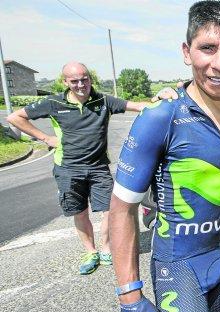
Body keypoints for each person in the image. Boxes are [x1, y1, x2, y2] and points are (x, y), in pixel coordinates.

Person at [108, 1, 220, 312]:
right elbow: (121, 209)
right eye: (207, 48)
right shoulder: (161, 114)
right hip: (178, 267)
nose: (219, 63)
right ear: (187, 53)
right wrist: (129, 295)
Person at [6, 62, 149, 275]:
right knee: (80, 212)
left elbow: (139, 106)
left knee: (109, 210)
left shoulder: (103, 100)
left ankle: (106, 248)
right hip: (68, 169)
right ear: (65, 82)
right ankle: (91, 252)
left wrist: (165, 97)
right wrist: (45, 137)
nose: (81, 84)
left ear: (90, 79)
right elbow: (14, 117)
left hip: (99, 167)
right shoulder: (53, 102)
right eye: (75, 81)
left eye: (85, 79)